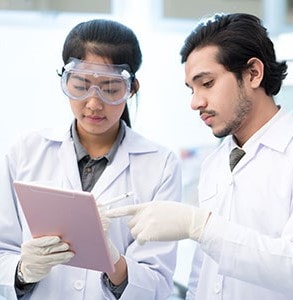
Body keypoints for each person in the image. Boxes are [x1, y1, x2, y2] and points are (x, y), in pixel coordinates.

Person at [107, 13, 293, 299]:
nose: (195, 102)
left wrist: (200, 226)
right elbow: (203, 275)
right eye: (192, 89)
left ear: (253, 73)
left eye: (207, 83)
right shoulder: (216, 162)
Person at [0, 19, 181, 299]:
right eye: (81, 85)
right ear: (64, 80)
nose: (94, 103)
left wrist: (115, 264)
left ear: (132, 89)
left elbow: (158, 282)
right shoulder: (26, 151)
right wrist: (22, 271)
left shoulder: (161, 165)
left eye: (110, 89)